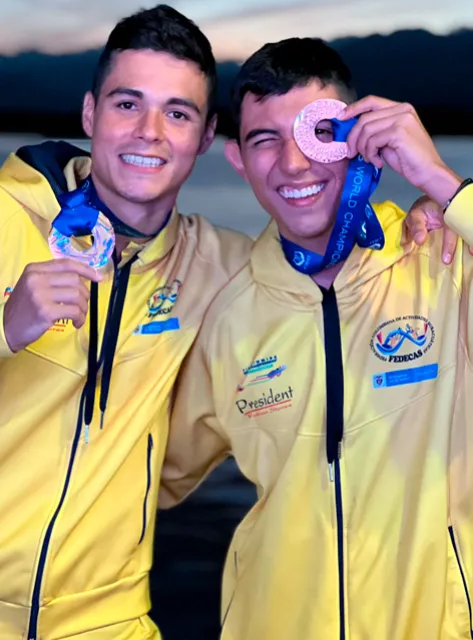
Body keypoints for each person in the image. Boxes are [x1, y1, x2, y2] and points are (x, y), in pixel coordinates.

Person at [160, 36, 473, 639]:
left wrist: (443, 184)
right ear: (238, 160)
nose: (295, 164)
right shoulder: (226, 311)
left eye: (318, 134)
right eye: (264, 140)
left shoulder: (444, 261)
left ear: (359, 137)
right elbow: (145, 471)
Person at [0, 4, 257, 640]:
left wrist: (434, 206)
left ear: (206, 135)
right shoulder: (6, 217)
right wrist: (4, 328)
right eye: (127, 104)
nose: (149, 132)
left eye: (178, 113)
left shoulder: (222, 267)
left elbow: (345, 274)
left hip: (109, 619)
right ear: (91, 114)